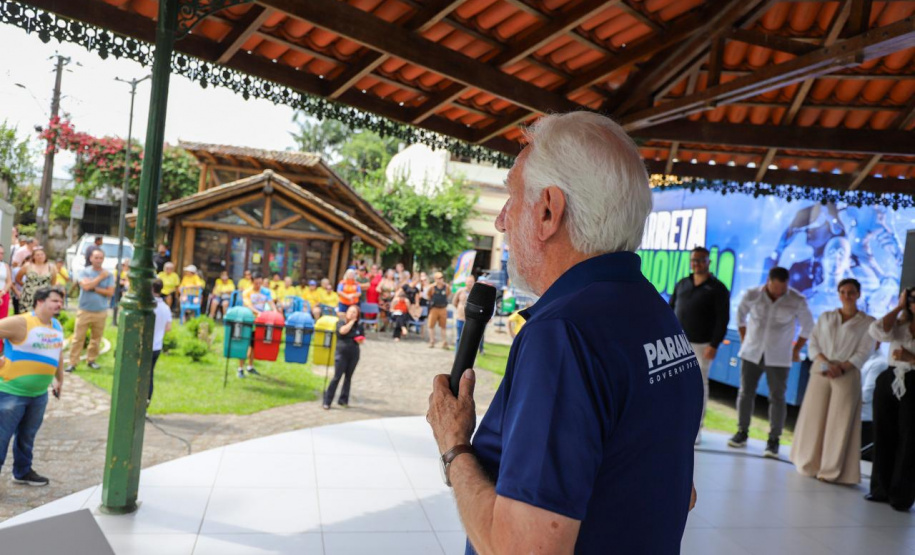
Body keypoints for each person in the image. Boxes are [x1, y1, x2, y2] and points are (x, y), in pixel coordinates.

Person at [426, 112, 701, 555]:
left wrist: (454, 445)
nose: (501, 221)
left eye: (512, 198)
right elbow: (678, 493)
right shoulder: (654, 311)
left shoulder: (563, 334)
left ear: (548, 211)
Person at [790, 278, 875, 484]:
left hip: (847, 374)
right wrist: (827, 364)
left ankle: (831, 470)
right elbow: (814, 344)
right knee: (814, 419)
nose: (847, 296)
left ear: (858, 294)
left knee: (839, 422)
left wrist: (842, 367)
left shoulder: (867, 322)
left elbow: (865, 350)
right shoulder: (827, 317)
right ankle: (808, 463)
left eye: (851, 292)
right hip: (821, 371)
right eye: (843, 292)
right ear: (838, 294)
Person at [729, 267, 814, 458]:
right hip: (752, 352)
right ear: (768, 281)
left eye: (782, 289)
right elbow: (740, 316)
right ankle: (742, 432)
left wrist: (795, 350)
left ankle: (774, 439)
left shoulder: (797, 299)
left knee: (777, 397)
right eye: (775, 288)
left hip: (779, 357)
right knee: (745, 393)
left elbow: (808, 326)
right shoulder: (752, 294)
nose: (778, 293)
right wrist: (744, 339)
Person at [0, 286, 65, 487]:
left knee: (27, 437)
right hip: (11, 392)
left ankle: (22, 472)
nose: (60, 304)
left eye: (61, 301)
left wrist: (59, 380)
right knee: (1, 438)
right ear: (40, 301)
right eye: (55, 300)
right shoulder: (21, 322)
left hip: (39, 394)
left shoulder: (56, 326)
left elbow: (58, 353)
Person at [669, 246, 731, 445]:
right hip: (677, 344)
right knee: (674, 385)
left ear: (708, 262)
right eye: (694, 260)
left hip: (702, 345)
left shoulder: (718, 288)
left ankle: (696, 429)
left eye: (701, 260)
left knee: (698, 387)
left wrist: (714, 344)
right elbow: (670, 310)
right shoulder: (682, 283)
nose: (697, 264)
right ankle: (674, 423)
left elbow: (722, 320)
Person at [867, 288, 915, 511]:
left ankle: (901, 496)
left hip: (913, 380)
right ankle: (880, 489)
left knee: (909, 438)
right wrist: (898, 307)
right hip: (891, 377)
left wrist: (911, 358)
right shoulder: (900, 324)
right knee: (883, 433)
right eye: (912, 299)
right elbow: (876, 331)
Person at [66, 250, 114, 373]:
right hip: (84, 310)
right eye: (96, 257)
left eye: (101, 258)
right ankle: (72, 362)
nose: (98, 260)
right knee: (78, 337)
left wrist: (94, 288)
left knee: (96, 338)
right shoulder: (84, 272)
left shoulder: (109, 275)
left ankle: (91, 360)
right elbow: (85, 287)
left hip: (101, 310)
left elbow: (110, 292)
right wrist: (100, 278)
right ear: (91, 258)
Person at [323, 304, 364, 409]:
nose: (351, 314)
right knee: (337, 377)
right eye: (350, 311)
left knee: (348, 377)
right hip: (341, 353)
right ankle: (327, 401)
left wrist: (359, 340)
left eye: (354, 312)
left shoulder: (359, 326)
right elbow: (342, 331)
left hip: (354, 353)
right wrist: (351, 322)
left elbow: (361, 338)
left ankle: (343, 400)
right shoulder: (341, 323)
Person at [239, 273, 276, 378]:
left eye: (260, 283)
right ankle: (240, 368)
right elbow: (249, 306)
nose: (258, 285)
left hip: (260, 322)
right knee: (244, 344)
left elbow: (271, 303)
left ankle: (250, 366)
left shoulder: (265, 291)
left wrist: (275, 312)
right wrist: (258, 313)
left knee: (254, 344)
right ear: (252, 282)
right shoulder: (247, 292)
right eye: (256, 283)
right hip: (248, 319)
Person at [149, 279, 172, 405]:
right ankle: (147, 400)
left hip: (146, 345)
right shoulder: (165, 307)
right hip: (157, 345)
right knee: (150, 375)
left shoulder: (149, 306)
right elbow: (168, 328)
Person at [16, 247, 54, 315]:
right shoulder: (27, 266)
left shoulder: (51, 267)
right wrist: (27, 286)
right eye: (37, 255)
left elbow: (53, 282)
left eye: (42, 254)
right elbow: (18, 278)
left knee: (42, 315)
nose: (40, 256)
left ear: (45, 256)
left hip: (44, 296)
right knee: (27, 316)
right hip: (29, 296)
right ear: (33, 256)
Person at [453, 275, 484, 354]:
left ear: (474, 282)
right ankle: (457, 354)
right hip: (460, 318)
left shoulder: (476, 292)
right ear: (465, 282)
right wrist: (460, 309)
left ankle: (467, 354)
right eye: (468, 281)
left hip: (472, 320)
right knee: (459, 337)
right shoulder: (460, 291)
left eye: (471, 282)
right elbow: (454, 302)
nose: (470, 283)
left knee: (470, 338)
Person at [425, 271, 450, 349]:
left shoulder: (446, 287)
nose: (440, 279)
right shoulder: (432, 287)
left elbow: (448, 295)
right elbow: (428, 295)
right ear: (435, 279)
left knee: (443, 326)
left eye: (441, 278)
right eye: (439, 278)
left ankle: (444, 342)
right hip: (434, 308)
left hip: (443, 308)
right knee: (431, 325)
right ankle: (432, 341)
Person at [0, 245, 11, 319]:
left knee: (2, 319)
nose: (1, 255)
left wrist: (2, 293)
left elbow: (9, 282)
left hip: (3, 293)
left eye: (2, 253)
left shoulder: (5, 265)